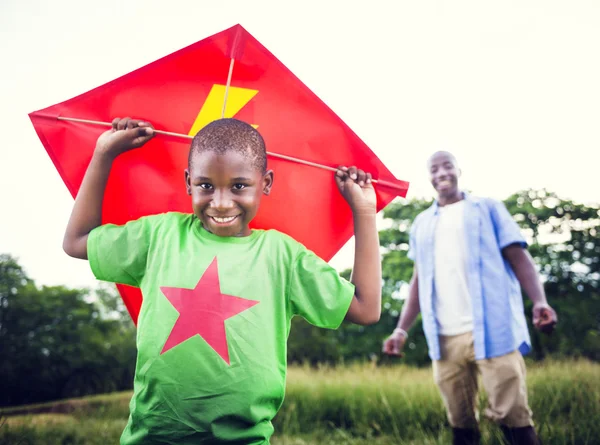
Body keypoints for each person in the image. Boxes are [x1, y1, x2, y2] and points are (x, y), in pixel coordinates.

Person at [62, 117, 382, 444]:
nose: (221, 202)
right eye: (205, 186)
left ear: (266, 183)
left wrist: (365, 213)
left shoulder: (282, 255)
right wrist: (104, 153)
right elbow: (77, 242)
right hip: (152, 437)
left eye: (239, 186)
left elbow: (365, 308)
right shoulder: (159, 235)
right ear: (188, 182)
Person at [382, 151, 557, 445]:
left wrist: (539, 301)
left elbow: (519, 257)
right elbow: (418, 281)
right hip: (444, 338)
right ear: (429, 176)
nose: (441, 173)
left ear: (458, 169)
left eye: (446, 166)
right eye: (434, 169)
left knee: (515, 420)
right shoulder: (422, 224)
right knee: (461, 426)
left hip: (493, 330)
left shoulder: (487, 209)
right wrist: (401, 329)